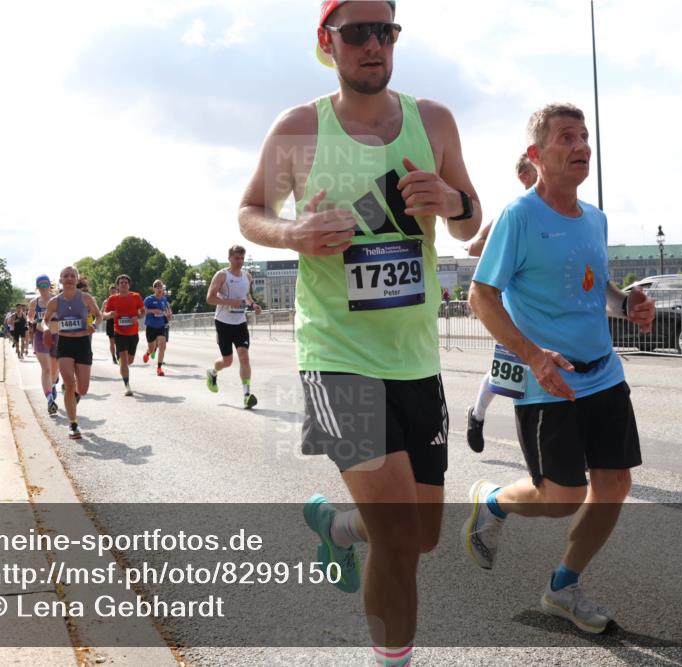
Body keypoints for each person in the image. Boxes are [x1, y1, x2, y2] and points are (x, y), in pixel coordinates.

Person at [236, 1, 482, 662]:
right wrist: (295, 234)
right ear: (328, 40)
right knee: (400, 537)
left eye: (387, 31)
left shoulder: (434, 122)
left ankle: (337, 527)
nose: (375, 44)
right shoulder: (299, 130)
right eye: (359, 33)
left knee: (423, 534)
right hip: (335, 356)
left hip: (414, 357)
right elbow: (250, 211)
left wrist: (453, 202)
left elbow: (468, 221)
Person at [464, 103, 655, 634]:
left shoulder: (595, 218)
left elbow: (596, 290)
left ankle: (563, 586)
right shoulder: (519, 216)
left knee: (614, 484)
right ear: (536, 154)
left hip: (604, 374)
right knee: (560, 498)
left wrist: (628, 305)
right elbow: (481, 296)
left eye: (585, 136)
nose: (581, 147)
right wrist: (532, 356)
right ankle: (493, 501)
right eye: (567, 137)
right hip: (548, 381)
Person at [465, 153, 538, 453]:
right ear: (524, 176)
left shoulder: (565, 211)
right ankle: (477, 414)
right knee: (509, 370)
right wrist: (509, 244)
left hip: (549, 308)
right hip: (516, 306)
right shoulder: (512, 214)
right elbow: (473, 247)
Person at [44, 266, 102, 439]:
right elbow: (45, 321)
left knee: (82, 389)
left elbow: (99, 316)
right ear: (61, 280)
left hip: (83, 342)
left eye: (72, 276)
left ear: (77, 279)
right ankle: (73, 424)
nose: (69, 278)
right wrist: (47, 329)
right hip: (65, 343)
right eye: (65, 276)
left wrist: (94, 325)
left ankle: (74, 396)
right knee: (69, 383)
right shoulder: (54, 302)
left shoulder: (85, 298)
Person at [205, 246, 261, 408]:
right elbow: (209, 298)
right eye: (237, 258)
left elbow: (247, 296)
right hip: (223, 322)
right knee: (227, 361)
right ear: (230, 258)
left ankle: (246, 394)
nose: (240, 262)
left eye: (242, 258)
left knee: (244, 356)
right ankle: (213, 372)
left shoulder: (247, 276)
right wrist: (229, 302)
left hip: (240, 322)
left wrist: (254, 305)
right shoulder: (222, 275)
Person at [102, 275, 145, 396]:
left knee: (130, 361)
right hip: (119, 333)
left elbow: (143, 312)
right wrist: (110, 313)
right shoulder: (112, 299)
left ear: (129, 285)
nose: (124, 284)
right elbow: (104, 314)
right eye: (121, 282)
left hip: (133, 333)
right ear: (117, 285)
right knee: (125, 361)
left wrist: (137, 317)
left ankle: (122, 363)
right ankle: (127, 385)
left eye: (126, 282)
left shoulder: (136, 296)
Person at [29, 275, 60, 416]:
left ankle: (53, 385)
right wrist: (32, 319)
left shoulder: (57, 300)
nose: (43, 287)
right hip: (40, 336)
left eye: (45, 284)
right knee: (46, 369)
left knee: (54, 370)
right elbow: (30, 317)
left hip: (56, 336)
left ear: (49, 285)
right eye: (40, 285)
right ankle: (49, 399)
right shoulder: (34, 302)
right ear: (37, 287)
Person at [142, 279, 172, 376]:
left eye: (161, 287)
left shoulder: (164, 300)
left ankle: (159, 368)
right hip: (150, 327)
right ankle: (147, 353)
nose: (160, 289)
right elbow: (143, 312)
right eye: (157, 287)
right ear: (154, 289)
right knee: (152, 348)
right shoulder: (148, 299)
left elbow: (167, 313)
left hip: (161, 326)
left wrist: (168, 316)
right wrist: (153, 310)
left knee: (162, 346)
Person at [101, 285, 118, 364]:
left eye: (114, 291)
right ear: (109, 292)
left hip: (118, 322)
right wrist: (106, 315)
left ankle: (118, 354)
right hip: (110, 322)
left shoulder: (120, 299)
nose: (113, 292)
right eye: (111, 291)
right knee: (112, 341)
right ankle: (113, 357)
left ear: (117, 291)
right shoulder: (106, 301)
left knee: (118, 341)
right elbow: (101, 313)